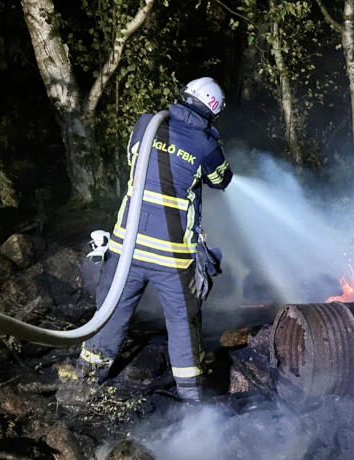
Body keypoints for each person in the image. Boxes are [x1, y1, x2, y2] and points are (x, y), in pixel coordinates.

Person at [75, 77, 232, 401]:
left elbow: (134, 161)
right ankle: (192, 399)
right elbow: (222, 179)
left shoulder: (146, 124)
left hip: (126, 249)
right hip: (172, 258)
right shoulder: (204, 145)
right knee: (183, 323)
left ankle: (86, 381)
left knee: (110, 313)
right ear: (212, 112)